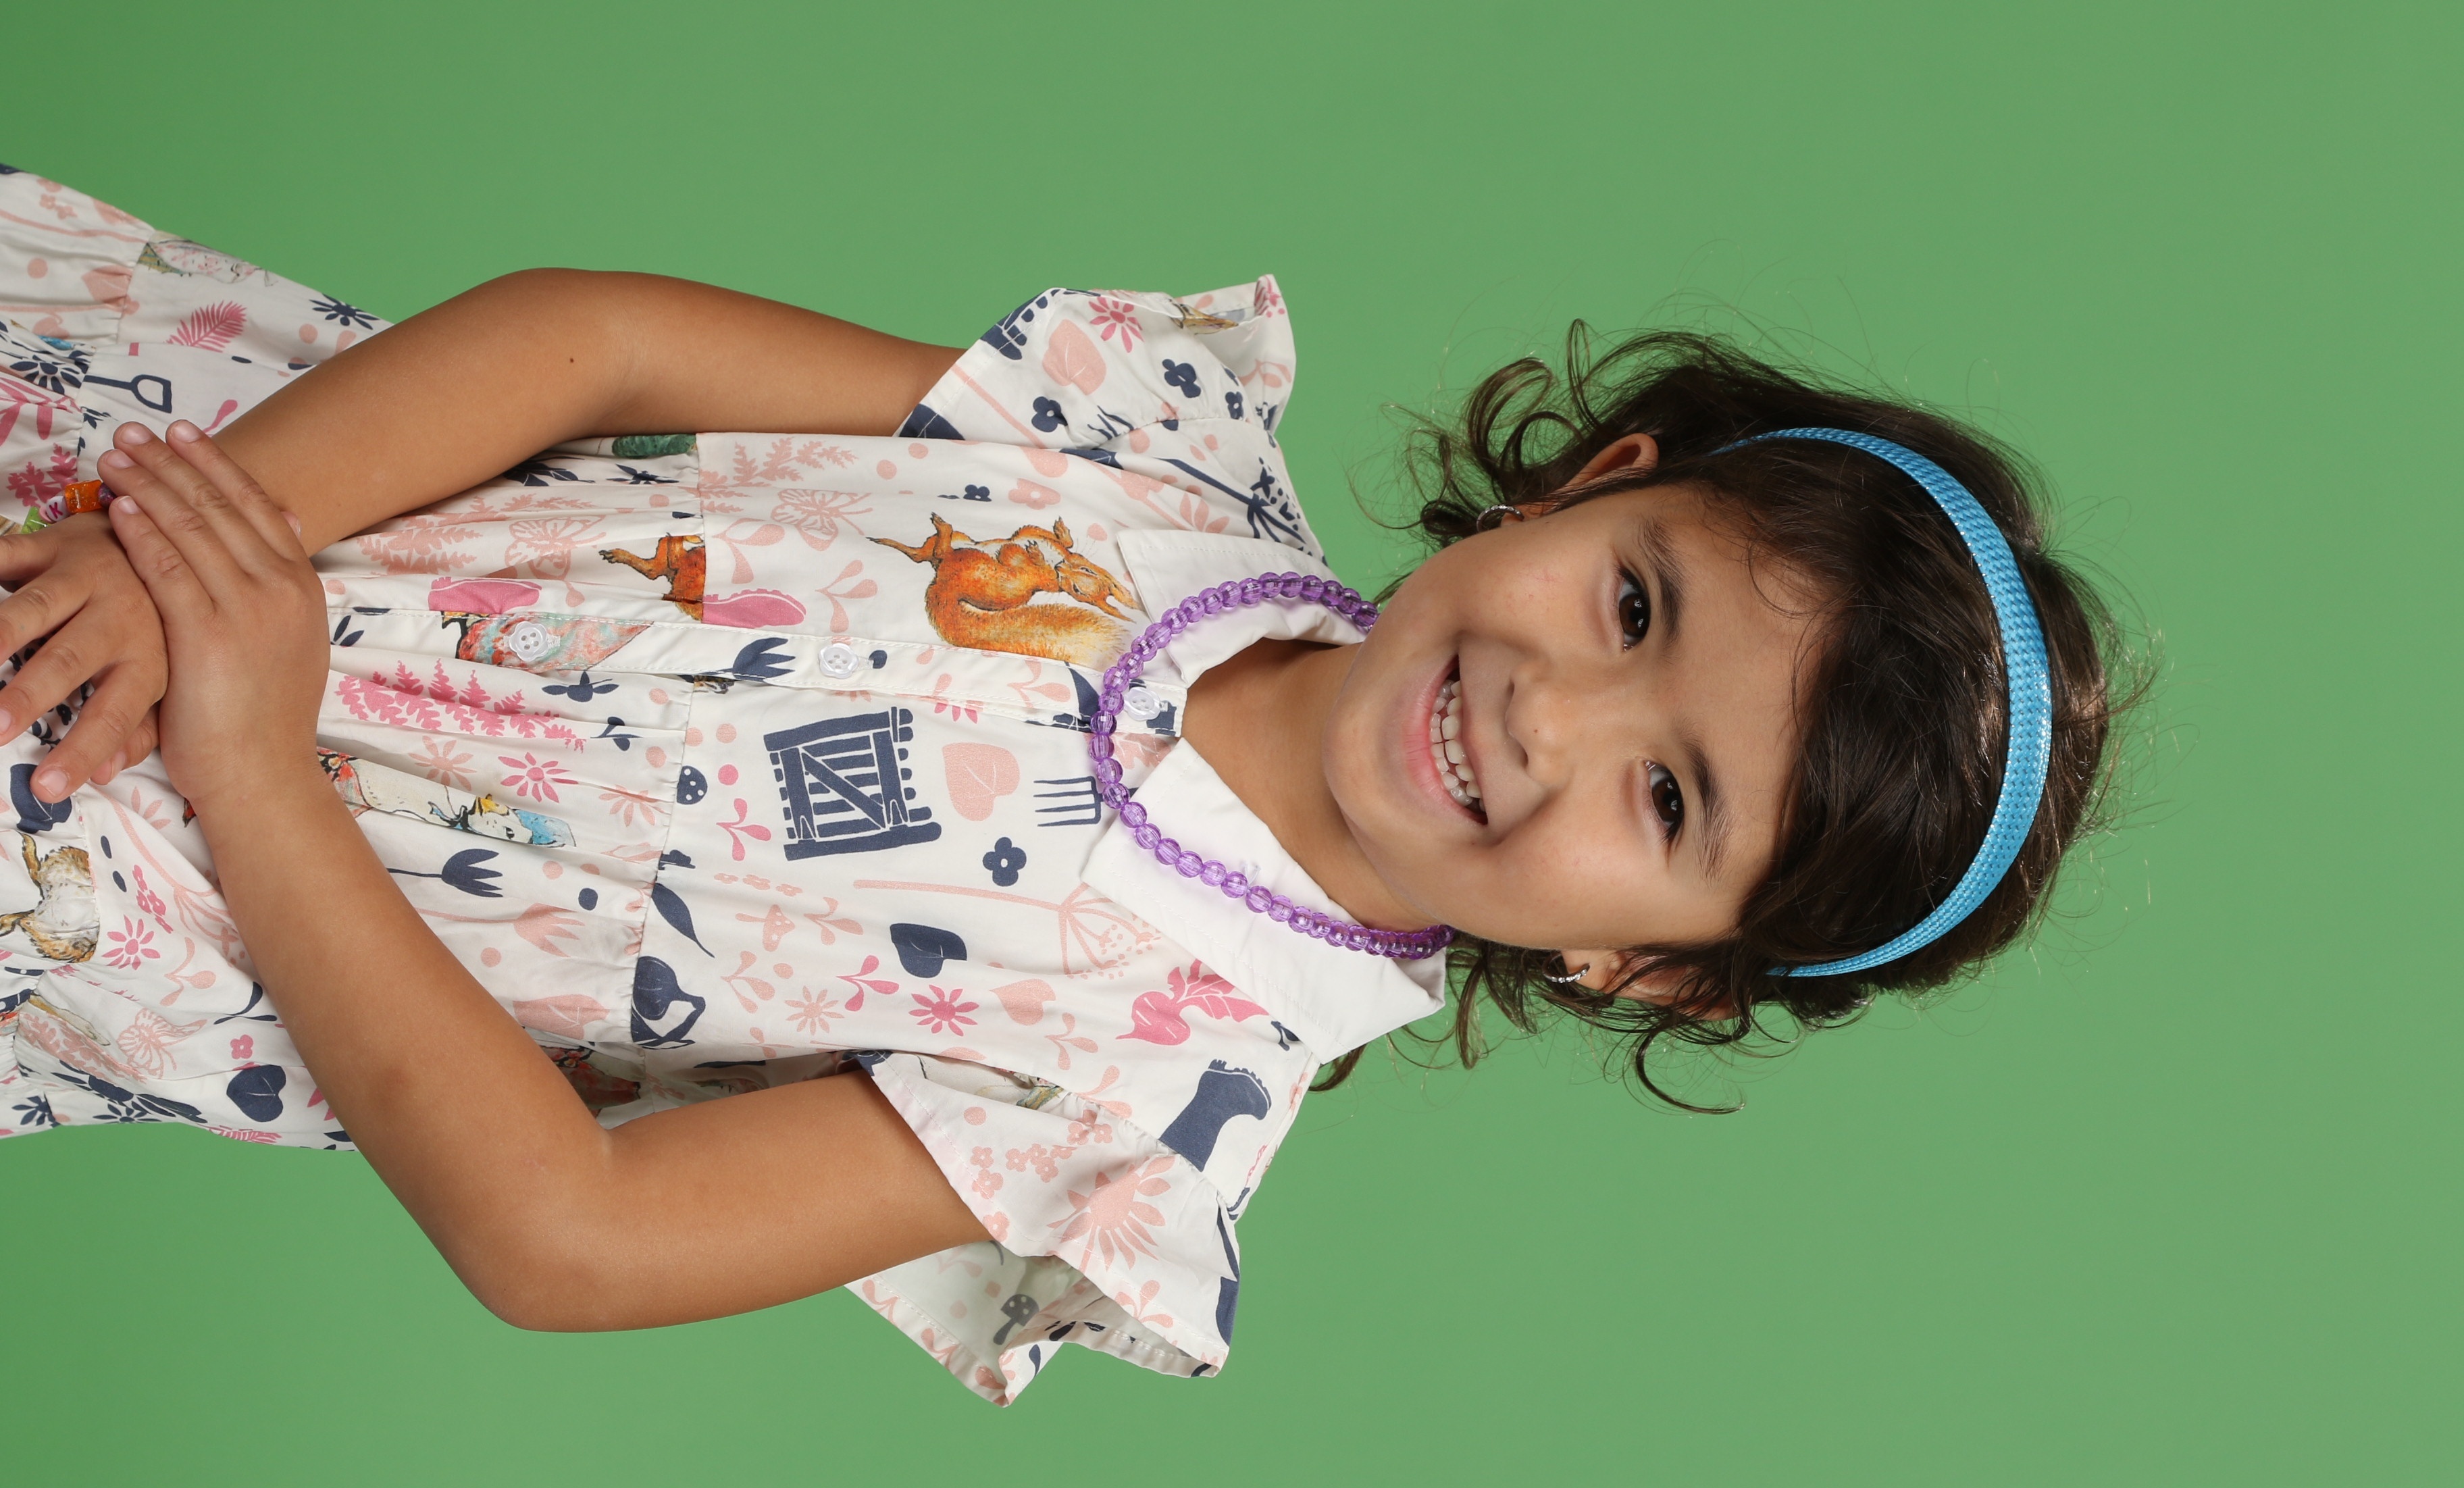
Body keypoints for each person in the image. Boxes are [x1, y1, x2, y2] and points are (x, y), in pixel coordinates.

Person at [0, 170, 2124, 1404]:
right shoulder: (1141, 464)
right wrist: (194, 552)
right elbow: (606, 342)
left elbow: (571, 1235)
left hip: (124, 866)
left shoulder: (1149, 1092)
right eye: (1634, 605)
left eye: (1668, 806)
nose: (1555, 716)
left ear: (1647, 969)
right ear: (1598, 482)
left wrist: (252, 759)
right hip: (177, 473)